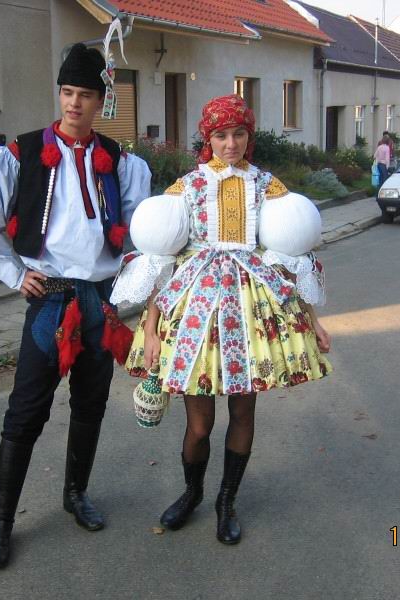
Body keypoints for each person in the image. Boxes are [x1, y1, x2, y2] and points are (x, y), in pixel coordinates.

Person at [111, 94, 332, 545]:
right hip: (194, 308)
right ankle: (192, 492)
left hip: (252, 311)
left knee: (243, 412)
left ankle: (226, 501)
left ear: (249, 136)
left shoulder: (268, 186)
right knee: (199, 424)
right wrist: (150, 329)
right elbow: (160, 259)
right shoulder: (187, 187)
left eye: (238, 134)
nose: (230, 144)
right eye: (221, 135)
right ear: (207, 138)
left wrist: (312, 319)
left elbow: (290, 255)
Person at [0, 41, 151, 568]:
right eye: (67, 92)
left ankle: (75, 494)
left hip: (100, 301)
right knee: (25, 411)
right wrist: (13, 272)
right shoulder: (20, 154)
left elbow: (140, 231)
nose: (74, 103)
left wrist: (132, 281)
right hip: (49, 299)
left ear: (100, 101)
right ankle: (0, 522)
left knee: (91, 405)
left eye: (85, 95)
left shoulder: (122, 163)